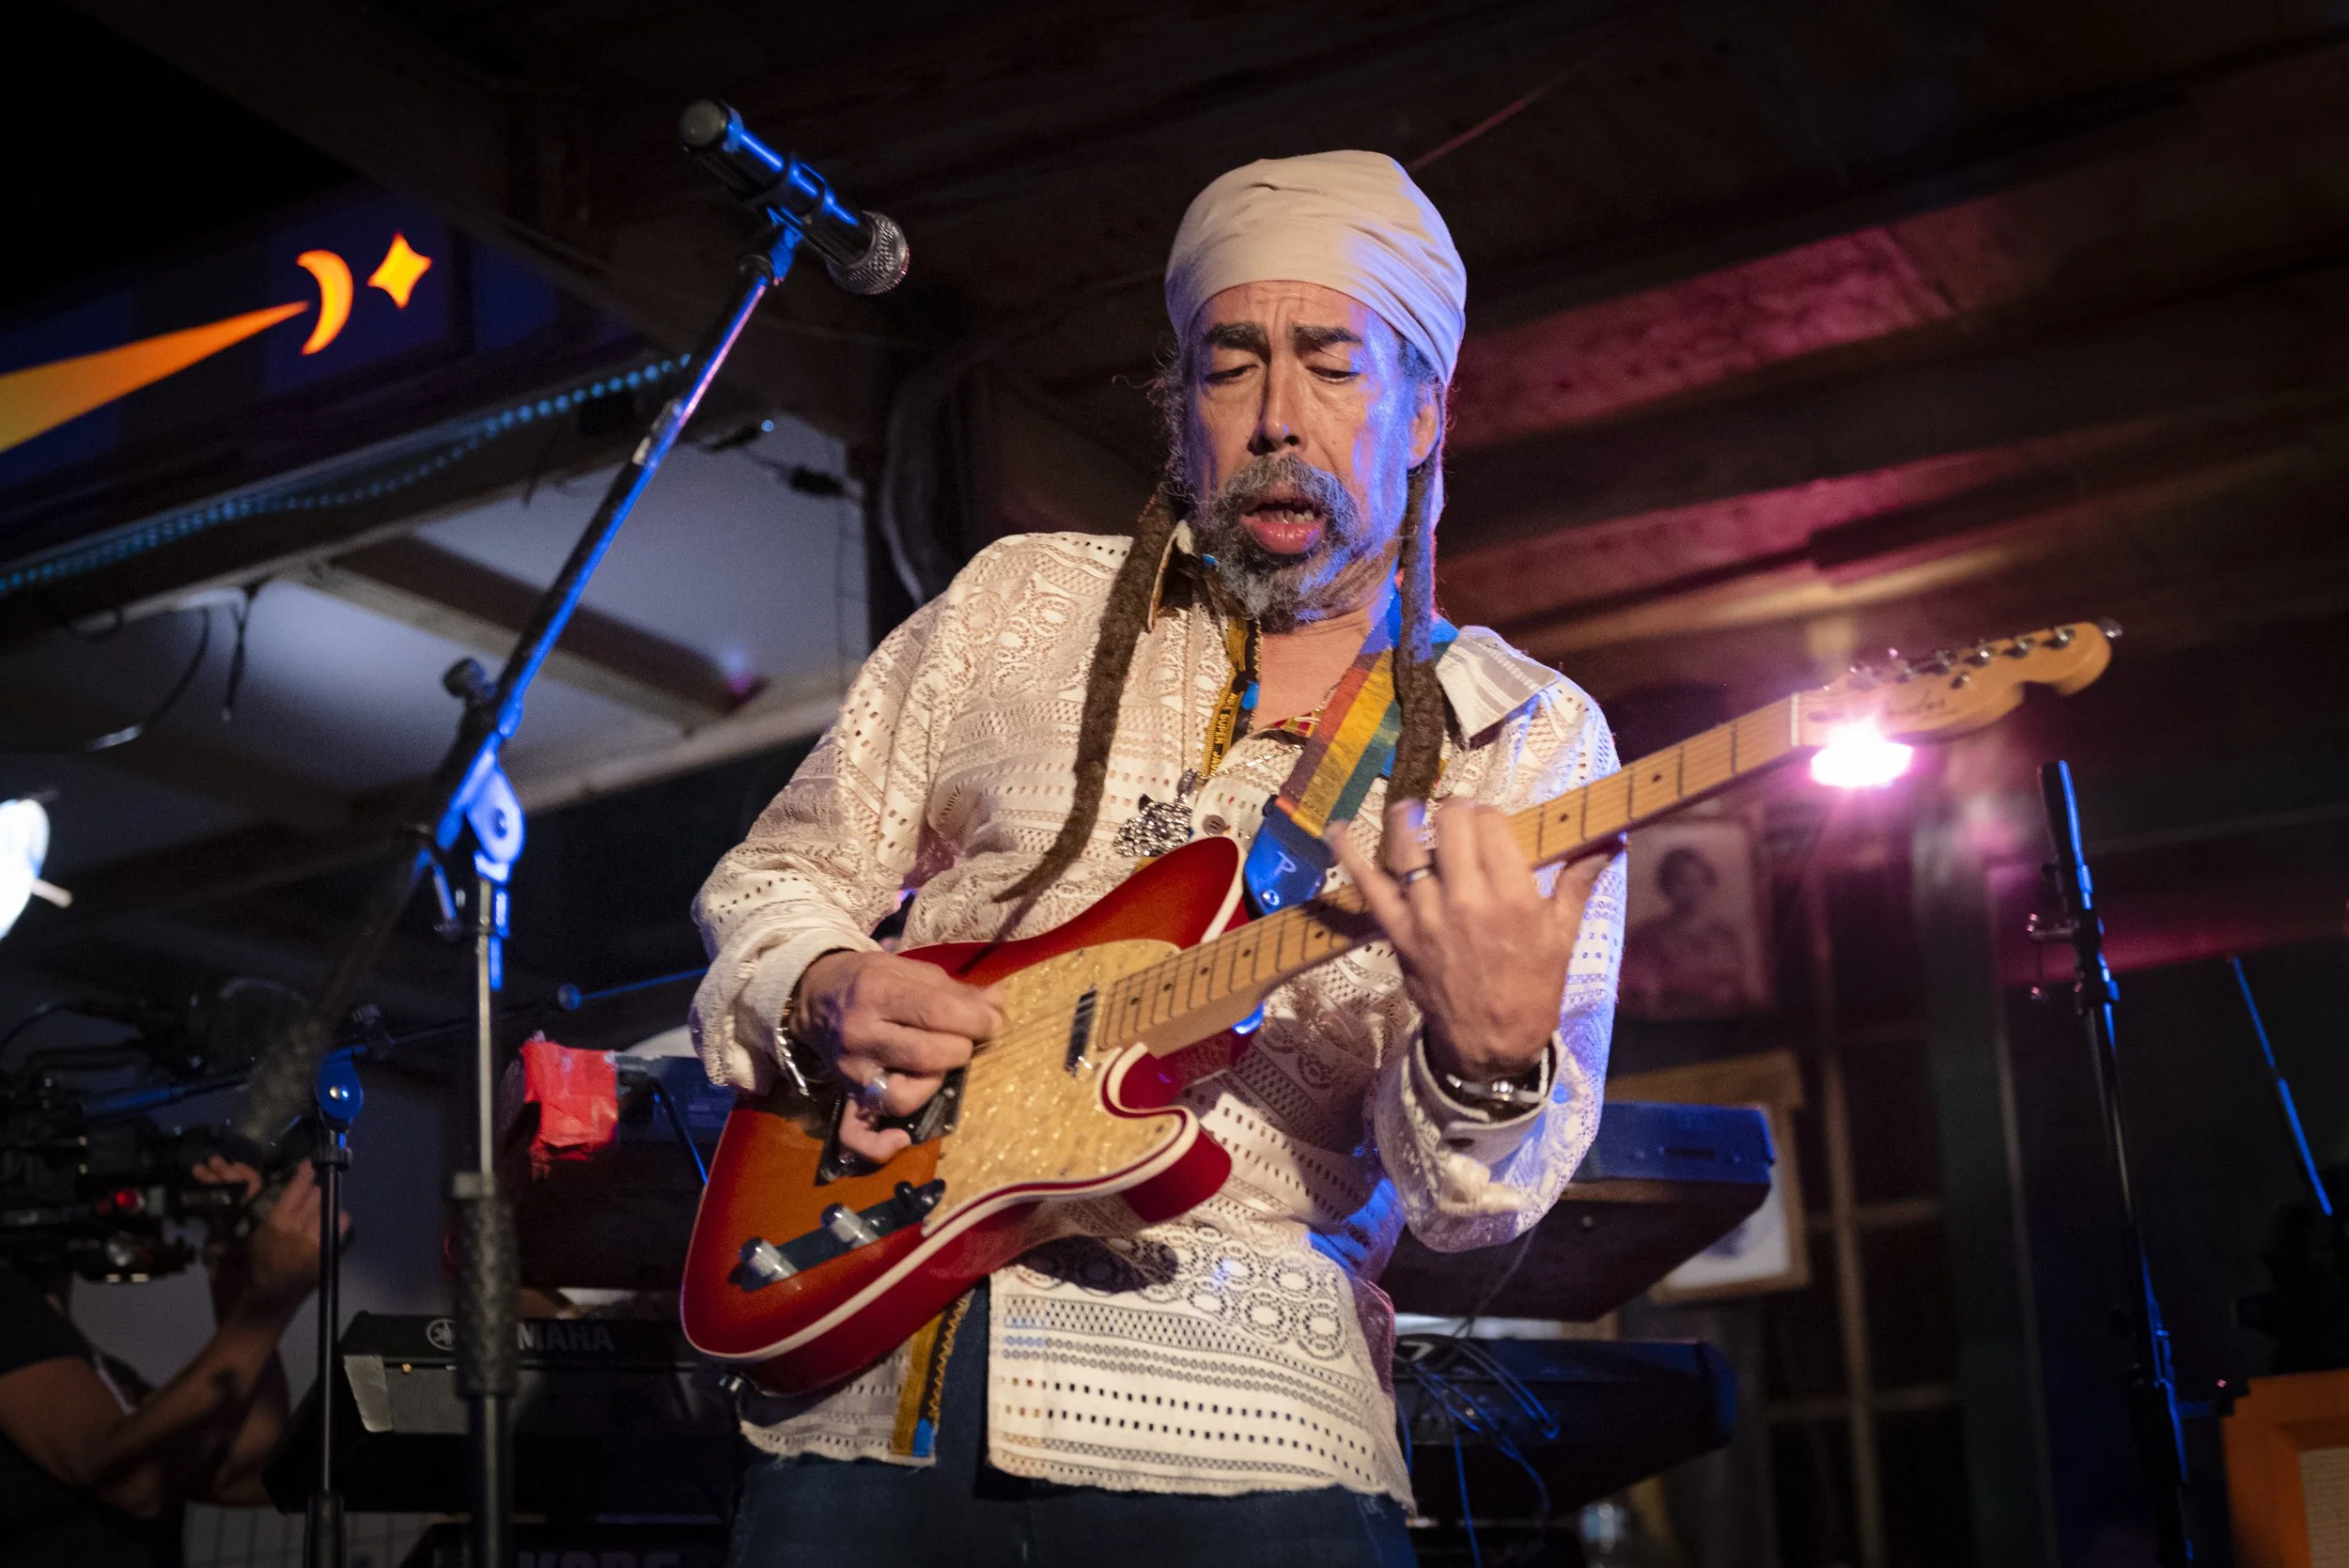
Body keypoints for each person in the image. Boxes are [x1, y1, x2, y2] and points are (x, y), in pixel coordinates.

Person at [693, 150, 1626, 1567]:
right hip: (881, 1380)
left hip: (1253, 1436)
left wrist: (1492, 1062)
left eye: (1333, 366)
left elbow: (1469, 1203)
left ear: (1427, 411)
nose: (1273, 420)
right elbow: (776, 876)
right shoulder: (1016, 602)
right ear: (1180, 411)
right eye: (1228, 366)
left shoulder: (1525, 737)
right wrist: (821, 979)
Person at [0, 1158, 337, 1568]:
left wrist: (232, 1265)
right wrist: (267, 1307)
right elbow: (132, 1482)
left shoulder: (99, 1370)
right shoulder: (12, 1320)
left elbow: (247, 1468)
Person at [1620, 846, 1754, 1017]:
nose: (1692, 890)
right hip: (1663, 1030)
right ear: (1666, 886)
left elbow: (1739, 991)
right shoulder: (1645, 938)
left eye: (1697, 881)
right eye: (1682, 882)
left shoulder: (1725, 937)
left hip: (1721, 1029)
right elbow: (1642, 996)